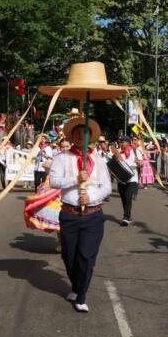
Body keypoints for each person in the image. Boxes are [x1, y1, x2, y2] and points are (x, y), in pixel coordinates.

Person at [49, 117, 111, 313]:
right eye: (76, 134)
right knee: (69, 256)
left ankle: (81, 295)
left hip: (93, 215)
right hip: (69, 215)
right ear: (71, 136)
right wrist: (75, 179)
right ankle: (76, 286)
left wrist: (91, 197)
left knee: (86, 256)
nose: (80, 138)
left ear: (91, 138)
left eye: (85, 135)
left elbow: (107, 187)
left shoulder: (99, 159)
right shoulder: (61, 157)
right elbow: (54, 181)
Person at [111, 136, 142, 226]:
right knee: (123, 198)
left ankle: (126, 217)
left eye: (122, 142)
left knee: (128, 197)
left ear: (128, 143)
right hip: (121, 179)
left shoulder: (135, 151)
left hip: (132, 179)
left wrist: (138, 163)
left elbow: (141, 164)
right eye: (120, 142)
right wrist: (115, 157)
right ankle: (128, 215)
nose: (121, 144)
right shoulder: (119, 152)